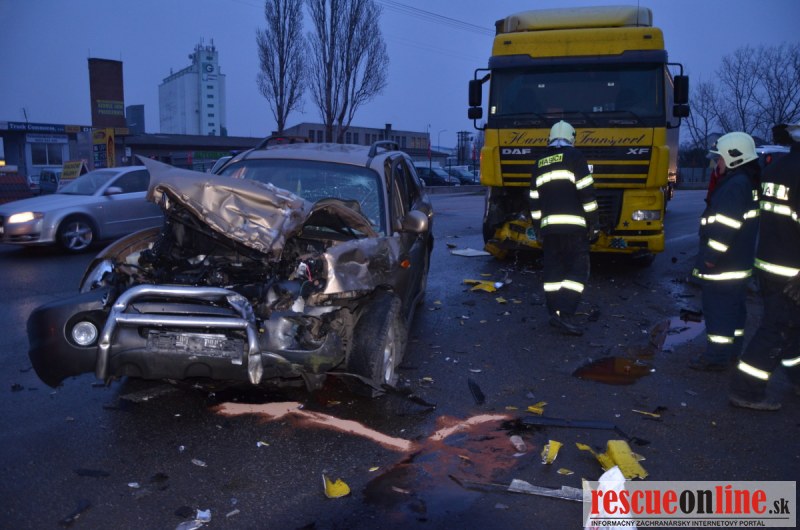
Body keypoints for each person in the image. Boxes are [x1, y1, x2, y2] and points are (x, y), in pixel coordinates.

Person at [729, 121, 800, 410]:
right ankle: (746, 391)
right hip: (792, 272)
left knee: (790, 328)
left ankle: (797, 377)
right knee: (777, 329)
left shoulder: (776, 167)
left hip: (769, 264)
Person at [690, 132, 761, 371]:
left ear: (734, 157)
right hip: (738, 263)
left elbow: (725, 226)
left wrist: (711, 257)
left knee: (718, 311)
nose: (716, 163)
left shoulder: (735, 185)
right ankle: (732, 351)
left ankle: (716, 358)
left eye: (719, 158)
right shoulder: (746, 181)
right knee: (734, 311)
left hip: (724, 265)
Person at [529, 120, 599, 336]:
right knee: (579, 271)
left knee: (553, 272)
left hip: (549, 230)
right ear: (571, 138)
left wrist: (538, 228)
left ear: (550, 138)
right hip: (574, 229)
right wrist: (594, 223)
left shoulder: (540, 162)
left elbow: (534, 200)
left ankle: (554, 313)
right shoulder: (575, 157)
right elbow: (586, 193)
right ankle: (566, 313)